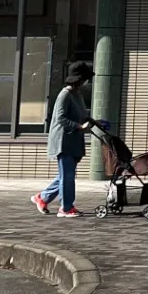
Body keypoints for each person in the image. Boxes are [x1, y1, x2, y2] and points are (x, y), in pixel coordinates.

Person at [33, 64, 94, 218]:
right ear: (79, 80)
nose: (86, 82)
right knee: (67, 176)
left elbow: (81, 114)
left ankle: (43, 197)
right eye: (85, 79)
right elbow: (60, 118)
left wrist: (94, 121)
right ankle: (66, 208)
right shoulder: (65, 95)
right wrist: (79, 126)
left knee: (65, 174)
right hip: (63, 141)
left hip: (73, 140)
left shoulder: (77, 95)